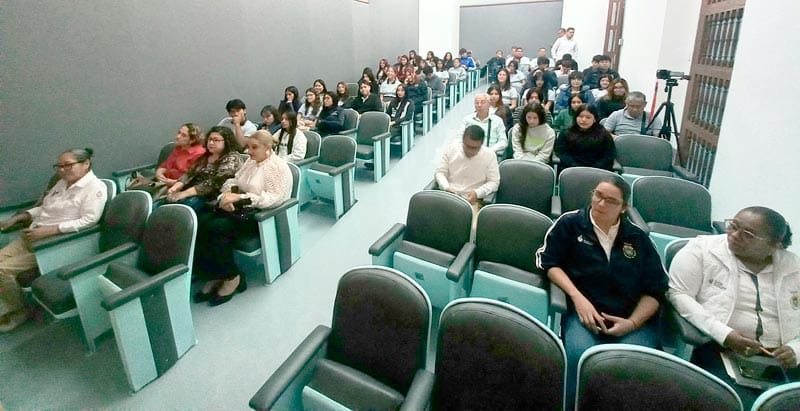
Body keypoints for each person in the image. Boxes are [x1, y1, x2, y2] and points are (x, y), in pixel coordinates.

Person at [536, 177, 667, 409]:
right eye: (597, 195)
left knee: (638, 366)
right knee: (581, 358)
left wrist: (632, 323)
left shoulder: (638, 238)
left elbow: (656, 290)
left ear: (624, 207)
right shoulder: (571, 223)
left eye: (610, 201)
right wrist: (577, 298)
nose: (600, 204)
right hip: (584, 315)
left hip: (630, 319)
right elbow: (549, 262)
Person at [668, 206, 800, 408]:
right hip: (721, 348)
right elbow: (679, 295)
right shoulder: (701, 250)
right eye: (733, 226)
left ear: (775, 245)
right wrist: (725, 334)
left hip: (782, 358)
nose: (734, 235)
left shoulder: (794, 268)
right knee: (738, 403)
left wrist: (796, 349)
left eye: (748, 234)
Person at [0, 148, 107, 332]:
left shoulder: (95, 188)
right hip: (31, 236)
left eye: (68, 165)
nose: (62, 170)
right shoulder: (62, 183)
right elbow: (45, 208)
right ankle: (9, 303)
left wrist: (51, 231)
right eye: (59, 166)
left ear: (86, 164)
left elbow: (89, 220)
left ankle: (21, 311)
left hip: (52, 244)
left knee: (2, 270)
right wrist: (22, 216)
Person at [192, 131, 292, 307]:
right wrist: (226, 197)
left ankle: (232, 276)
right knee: (200, 221)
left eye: (254, 147)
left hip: (258, 216)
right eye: (248, 147)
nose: (248, 151)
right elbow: (234, 181)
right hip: (238, 210)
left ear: (268, 148)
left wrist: (240, 198)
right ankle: (214, 274)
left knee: (217, 227)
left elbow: (273, 198)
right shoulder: (251, 162)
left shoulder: (277, 167)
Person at [166, 126, 244, 212]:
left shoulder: (232, 158)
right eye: (209, 139)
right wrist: (176, 186)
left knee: (180, 209)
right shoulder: (206, 156)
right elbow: (190, 173)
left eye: (216, 140)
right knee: (163, 203)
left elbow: (215, 183)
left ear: (227, 141)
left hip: (212, 196)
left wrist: (184, 193)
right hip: (192, 191)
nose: (211, 143)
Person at [435, 125, 500, 213]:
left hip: (473, 201)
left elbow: (494, 182)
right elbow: (440, 172)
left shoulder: (490, 156)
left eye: (474, 148)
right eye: (467, 146)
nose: (470, 151)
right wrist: (446, 187)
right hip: (449, 196)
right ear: (462, 140)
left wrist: (477, 193)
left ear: (481, 144)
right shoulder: (451, 149)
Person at [129, 124, 206, 195]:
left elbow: (191, 179)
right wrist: (159, 173)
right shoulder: (179, 147)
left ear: (192, 140)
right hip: (164, 180)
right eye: (179, 133)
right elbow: (165, 165)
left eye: (183, 135)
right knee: (141, 176)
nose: (178, 136)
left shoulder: (199, 154)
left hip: (177, 187)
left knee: (142, 192)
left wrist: (170, 182)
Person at [554, 104, 616, 172]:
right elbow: (562, 152)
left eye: (588, 117)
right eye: (580, 116)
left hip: (597, 171)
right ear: (576, 117)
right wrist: (576, 167)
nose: (583, 120)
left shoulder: (604, 134)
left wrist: (593, 169)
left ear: (594, 119)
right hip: (571, 169)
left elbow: (609, 156)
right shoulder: (566, 132)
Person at [455, 93, 507, 158]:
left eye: (482, 102)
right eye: (477, 103)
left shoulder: (497, 121)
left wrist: (490, 150)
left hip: (489, 155)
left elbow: (503, 141)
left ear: (489, 104)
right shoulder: (467, 119)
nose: (479, 105)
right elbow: (459, 138)